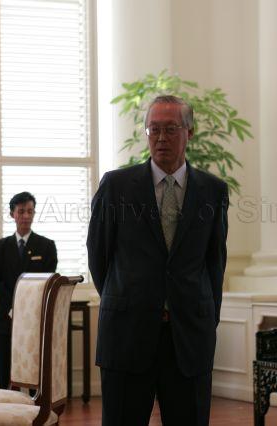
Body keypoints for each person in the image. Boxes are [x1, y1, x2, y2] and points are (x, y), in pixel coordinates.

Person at [87, 95, 229, 425]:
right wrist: (127, 298)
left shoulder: (213, 190)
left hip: (189, 337)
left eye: (170, 129)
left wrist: (205, 317)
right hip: (126, 334)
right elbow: (100, 256)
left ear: (189, 133)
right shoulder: (116, 186)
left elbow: (214, 263)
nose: (161, 138)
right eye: (153, 129)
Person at [0, 191, 57, 389]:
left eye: (30, 211)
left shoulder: (47, 246)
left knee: (35, 372)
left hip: (34, 318)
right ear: (13, 214)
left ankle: (34, 413)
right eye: (21, 211)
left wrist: (24, 308)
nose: (26, 216)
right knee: (6, 371)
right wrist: (14, 307)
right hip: (6, 318)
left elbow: (46, 281)